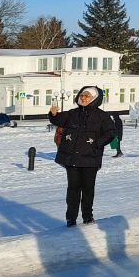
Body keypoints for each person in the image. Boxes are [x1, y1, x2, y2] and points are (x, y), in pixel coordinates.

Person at [49, 86, 116, 227]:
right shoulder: (73, 114)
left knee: (87, 189)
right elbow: (58, 120)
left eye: (87, 96)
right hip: (72, 160)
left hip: (90, 160)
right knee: (72, 190)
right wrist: (53, 114)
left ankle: (87, 217)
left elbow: (110, 133)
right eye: (82, 95)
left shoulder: (102, 116)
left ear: (94, 99)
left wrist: (97, 143)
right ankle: (71, 219)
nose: (83, 98)